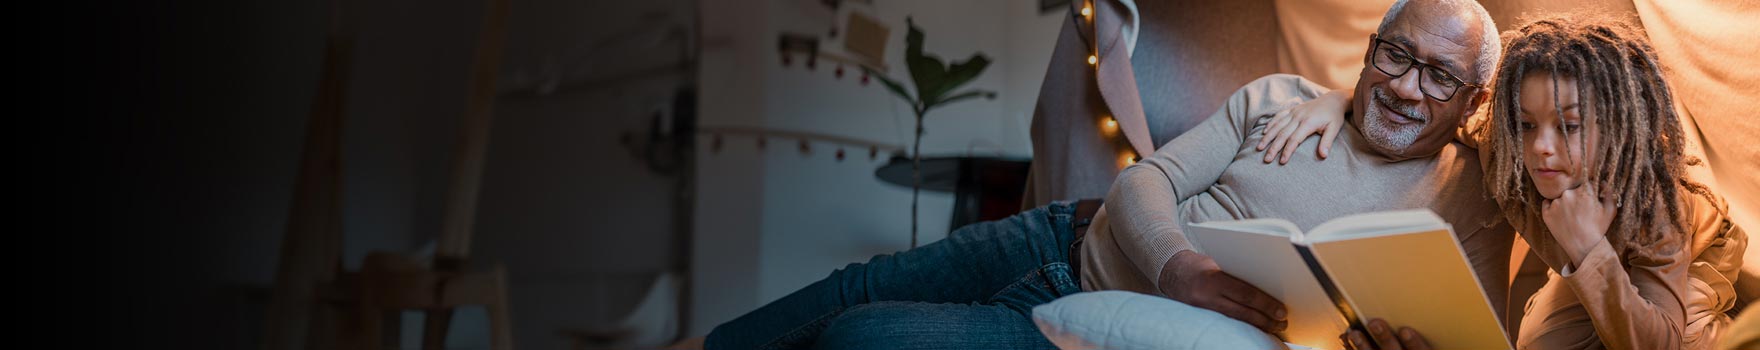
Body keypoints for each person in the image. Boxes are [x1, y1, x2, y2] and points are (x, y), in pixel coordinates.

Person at [683, 0, 1510, 348]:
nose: (1405, 86)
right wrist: (1179, 266)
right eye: (1395, 55)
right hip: (1065, 232)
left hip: (1092, 311)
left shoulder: (1469, 191)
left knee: (865, 336)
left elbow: (1468, 331)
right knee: (848, 290)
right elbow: (1143, 182)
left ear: (1471, 99)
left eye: (1438, 76)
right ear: (1370, 52)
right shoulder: (1288, 96)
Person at [1258, 13, 1747, 350]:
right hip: (1585, 258)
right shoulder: (1502, 142)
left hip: (1693, 263)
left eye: (1569, 126)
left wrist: (1588, 245)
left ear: (1616, 126)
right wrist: (1339, 99)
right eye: (1527, 124)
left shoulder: (1659, 205)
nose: (1541, 148)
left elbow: (1655, 340)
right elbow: (1434, 110)